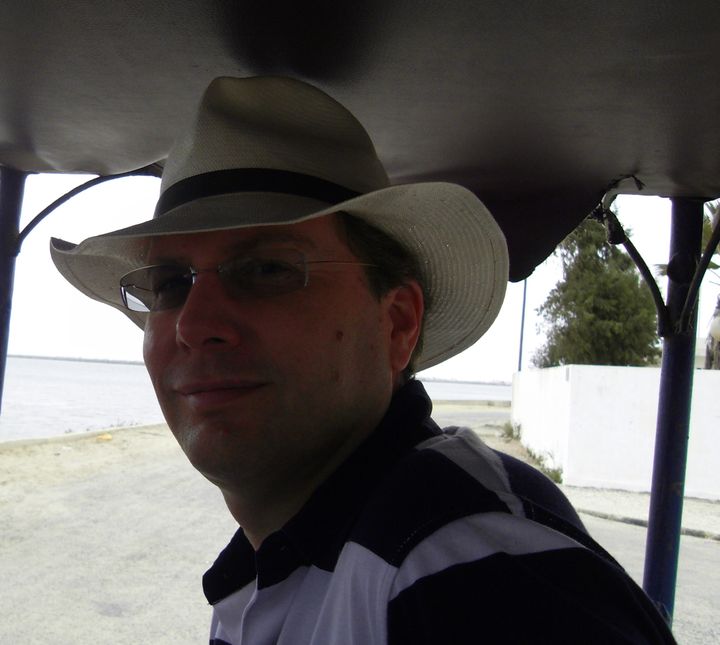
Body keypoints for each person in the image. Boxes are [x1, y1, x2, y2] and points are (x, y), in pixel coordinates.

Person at [51, 76, 676, 644]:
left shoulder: (465, 570)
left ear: (396, 323)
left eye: (267, 269)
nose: (193, 324)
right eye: (168, 282)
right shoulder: (306, 557)